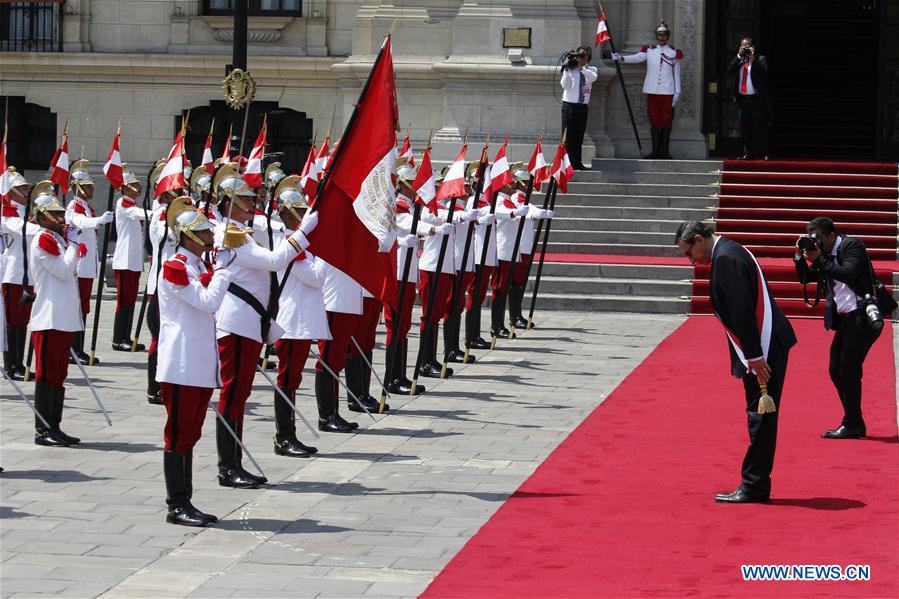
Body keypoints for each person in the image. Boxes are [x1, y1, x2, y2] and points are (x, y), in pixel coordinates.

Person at [675, 221, 796, 503]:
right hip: (764, 344)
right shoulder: (729, 251)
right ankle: (756, 482)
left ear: (698, 239)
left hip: (763, 348)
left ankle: (754, 485)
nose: (692, 261)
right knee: (760, 416)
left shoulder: (727, 258)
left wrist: (754, 356)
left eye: (689, 253)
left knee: (760, 416)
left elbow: (742, 310)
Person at [212, 162, 316, 486]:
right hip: (238, 321)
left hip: (249, 321)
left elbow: (268, 230)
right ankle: (228, 466)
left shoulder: (242, 231)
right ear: (229, 202)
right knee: (233, 395)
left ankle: (234, 462)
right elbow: (274, 260)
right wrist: (304, 230)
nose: (252, 202)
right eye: (244, 199)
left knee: (239, 394)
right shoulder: (228, 233)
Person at [156, 196, 234, 526]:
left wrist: (216, 271)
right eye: (204, 232)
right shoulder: (175, 266)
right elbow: (207, 302)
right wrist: (223, 273)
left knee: (191, 433)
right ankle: (177, 504)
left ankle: (186, 499)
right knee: (178, 433)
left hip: (199, 363)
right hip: (181, 363)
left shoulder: (198, 266)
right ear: (189, 236)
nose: (211, 236)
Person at [793, 217, 889, 439]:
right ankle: (854, 421)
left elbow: (848, 273)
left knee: (848, 369)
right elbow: (805, 278)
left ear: (831, 235)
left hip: (863, 317)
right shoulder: (823, 254)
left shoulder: (852, 246)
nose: (816, 242)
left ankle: (852, 423)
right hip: (847, 320)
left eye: (818, 237)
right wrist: (799, 257)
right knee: (836, 370)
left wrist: (819, 259)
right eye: (811, 237)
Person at [271, 176, 327, 455]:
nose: (306, 217)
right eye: (301, 213)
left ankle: (288, 434)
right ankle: (284, 436)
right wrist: (328, 255)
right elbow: (315, 278)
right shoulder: (292, 245)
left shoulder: (299, 245)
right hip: (293, 322)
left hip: (301, 322)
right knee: (288, 379)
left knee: (292, 379)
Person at [28, 182, 86, 447]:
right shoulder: (43, 239)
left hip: (63, 316)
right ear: (42, 217)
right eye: (57, 215)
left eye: (63, 214)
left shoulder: (58, 239)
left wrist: (71, 245)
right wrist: (74, 246)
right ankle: (43, 429)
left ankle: (55, 425)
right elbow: (62, 270)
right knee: (46, 374)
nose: (63, 219)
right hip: (49, 317)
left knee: (59, 374)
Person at [384, 161, 429, 395]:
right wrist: (430, 229)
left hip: (408, 271)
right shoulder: (399, 205)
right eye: (411, 183)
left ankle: (400, 375)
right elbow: (406, 225)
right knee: (396, 323)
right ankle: (392, 378)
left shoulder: (410, 205)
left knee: (403, 325)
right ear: (401, 184)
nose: (415, 186)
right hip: (398, 271)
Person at [65, 159, 114, 364]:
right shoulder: (74, 205)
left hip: (87, 265)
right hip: (79, 265)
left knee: (83, 307)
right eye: (88, 186)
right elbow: (82, 223)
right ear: (79, 188)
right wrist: (100, 221)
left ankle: (79, 348)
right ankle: (73, 349)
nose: (92, 189)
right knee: (77, 307)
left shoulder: (84, 204)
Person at [614, 20, 684, 159]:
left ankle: (664, 152)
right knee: (654, 120)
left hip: (668, 91)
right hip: (652, 90)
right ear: (656, 36)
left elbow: (676, 73)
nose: (662, 37)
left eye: (664, 35)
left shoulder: (674, 52)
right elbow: (637, 58)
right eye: (659, 35)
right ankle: (655, 151)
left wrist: (677, 92)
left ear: (667, 36)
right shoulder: (650, 50)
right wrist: (622, 58)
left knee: (665, 121)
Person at [1, 168, 37, 380]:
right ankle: (10, 365)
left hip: (28, 274)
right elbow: (22, 229)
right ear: (13, 192)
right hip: (14, 273)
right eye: (23, 188)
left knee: (23, 322)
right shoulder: (8, 212)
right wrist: (44, 226)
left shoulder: (25, 211)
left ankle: (20, 363)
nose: (26, 191)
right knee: (12, 321)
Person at [110, 166, 146, 351]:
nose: (137, 187)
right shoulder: (123, 202)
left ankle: (127, 336)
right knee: (123, 301)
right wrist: (160, 214)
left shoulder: (132, 204)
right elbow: (139, 215)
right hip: (124, 260)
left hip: (133, 261)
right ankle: (118, 339)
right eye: (133, 185)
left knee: (131, 300)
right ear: (124, 188)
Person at [727, 37, 769, 160]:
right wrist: (739, 56)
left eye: (748, 46)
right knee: (745, 127)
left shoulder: (760, 59)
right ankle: (748, 152)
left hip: (756, 99)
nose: (746, 48)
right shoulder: (740, 60)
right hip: (743, 100)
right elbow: (730, 69)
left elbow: (765, 72)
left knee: (759, 126)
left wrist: (753, 58)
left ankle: (764, 152)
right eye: (743, 46)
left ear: (753, 47)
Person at [559, 45, 597, 170]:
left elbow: (592, 78)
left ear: (588, 57)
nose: (580, 58)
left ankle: (577, 162)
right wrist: (565, 69)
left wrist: (581, 68)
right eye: (578, 55)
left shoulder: (591, 69)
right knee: (568, 137)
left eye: (583, 55)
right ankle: (567, 164)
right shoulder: (571, 70)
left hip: (582, 107)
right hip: (569, 106)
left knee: (578, 136)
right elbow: (565, 85)